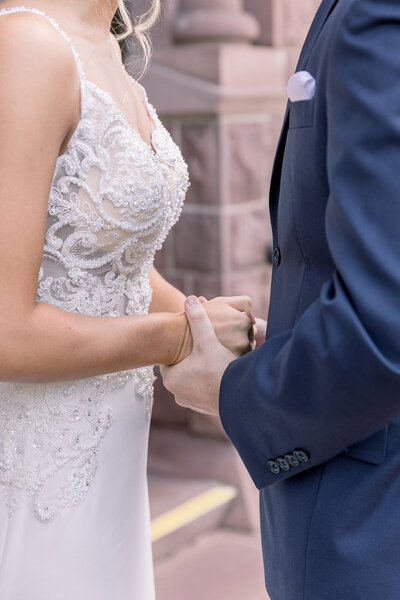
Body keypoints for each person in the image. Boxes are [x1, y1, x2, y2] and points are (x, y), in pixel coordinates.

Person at [0, 1, 258, 598]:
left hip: (112, 457)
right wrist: (180, 338)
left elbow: (114, 272)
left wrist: (208, 320)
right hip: (38, 462)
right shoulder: (29, 45)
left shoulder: (109, 50)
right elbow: (6, 333)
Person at [162, 0, 400, 598]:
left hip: (366, 526)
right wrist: (297, 334)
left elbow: (384, 325)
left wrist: (230, 390)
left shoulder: (377, 13)